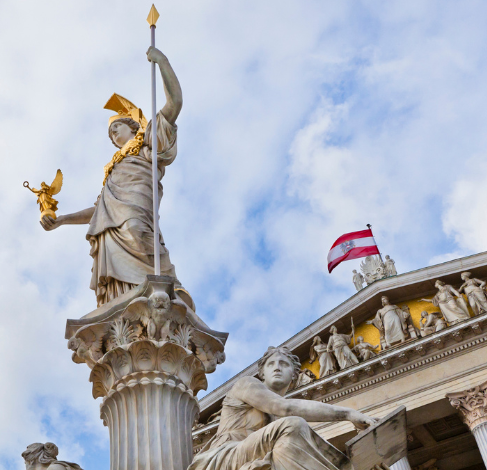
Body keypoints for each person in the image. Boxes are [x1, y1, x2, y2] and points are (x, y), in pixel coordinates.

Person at [41, 46, 184, 306]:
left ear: (131, 126)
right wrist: (62, 219)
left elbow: (174, 103)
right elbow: (99, 211)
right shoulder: (112, 170)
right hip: (112, 227)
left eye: (116, 127)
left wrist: (162, 62)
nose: (113, 135)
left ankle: (168, 287)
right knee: (119, 268)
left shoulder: (147, 144)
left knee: (136, 232)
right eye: (110, 134)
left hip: (138, 207)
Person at [189, 346, 378, 470]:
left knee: (290, 442)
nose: (277, 368)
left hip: (250, 452)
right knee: (293, 425)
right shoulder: (246, 385)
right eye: (271, 364)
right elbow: (285, 407)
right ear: (261, 373)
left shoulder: (277, 422)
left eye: (283, 364)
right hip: (222, 459)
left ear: (294, 375)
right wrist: (348, 413)